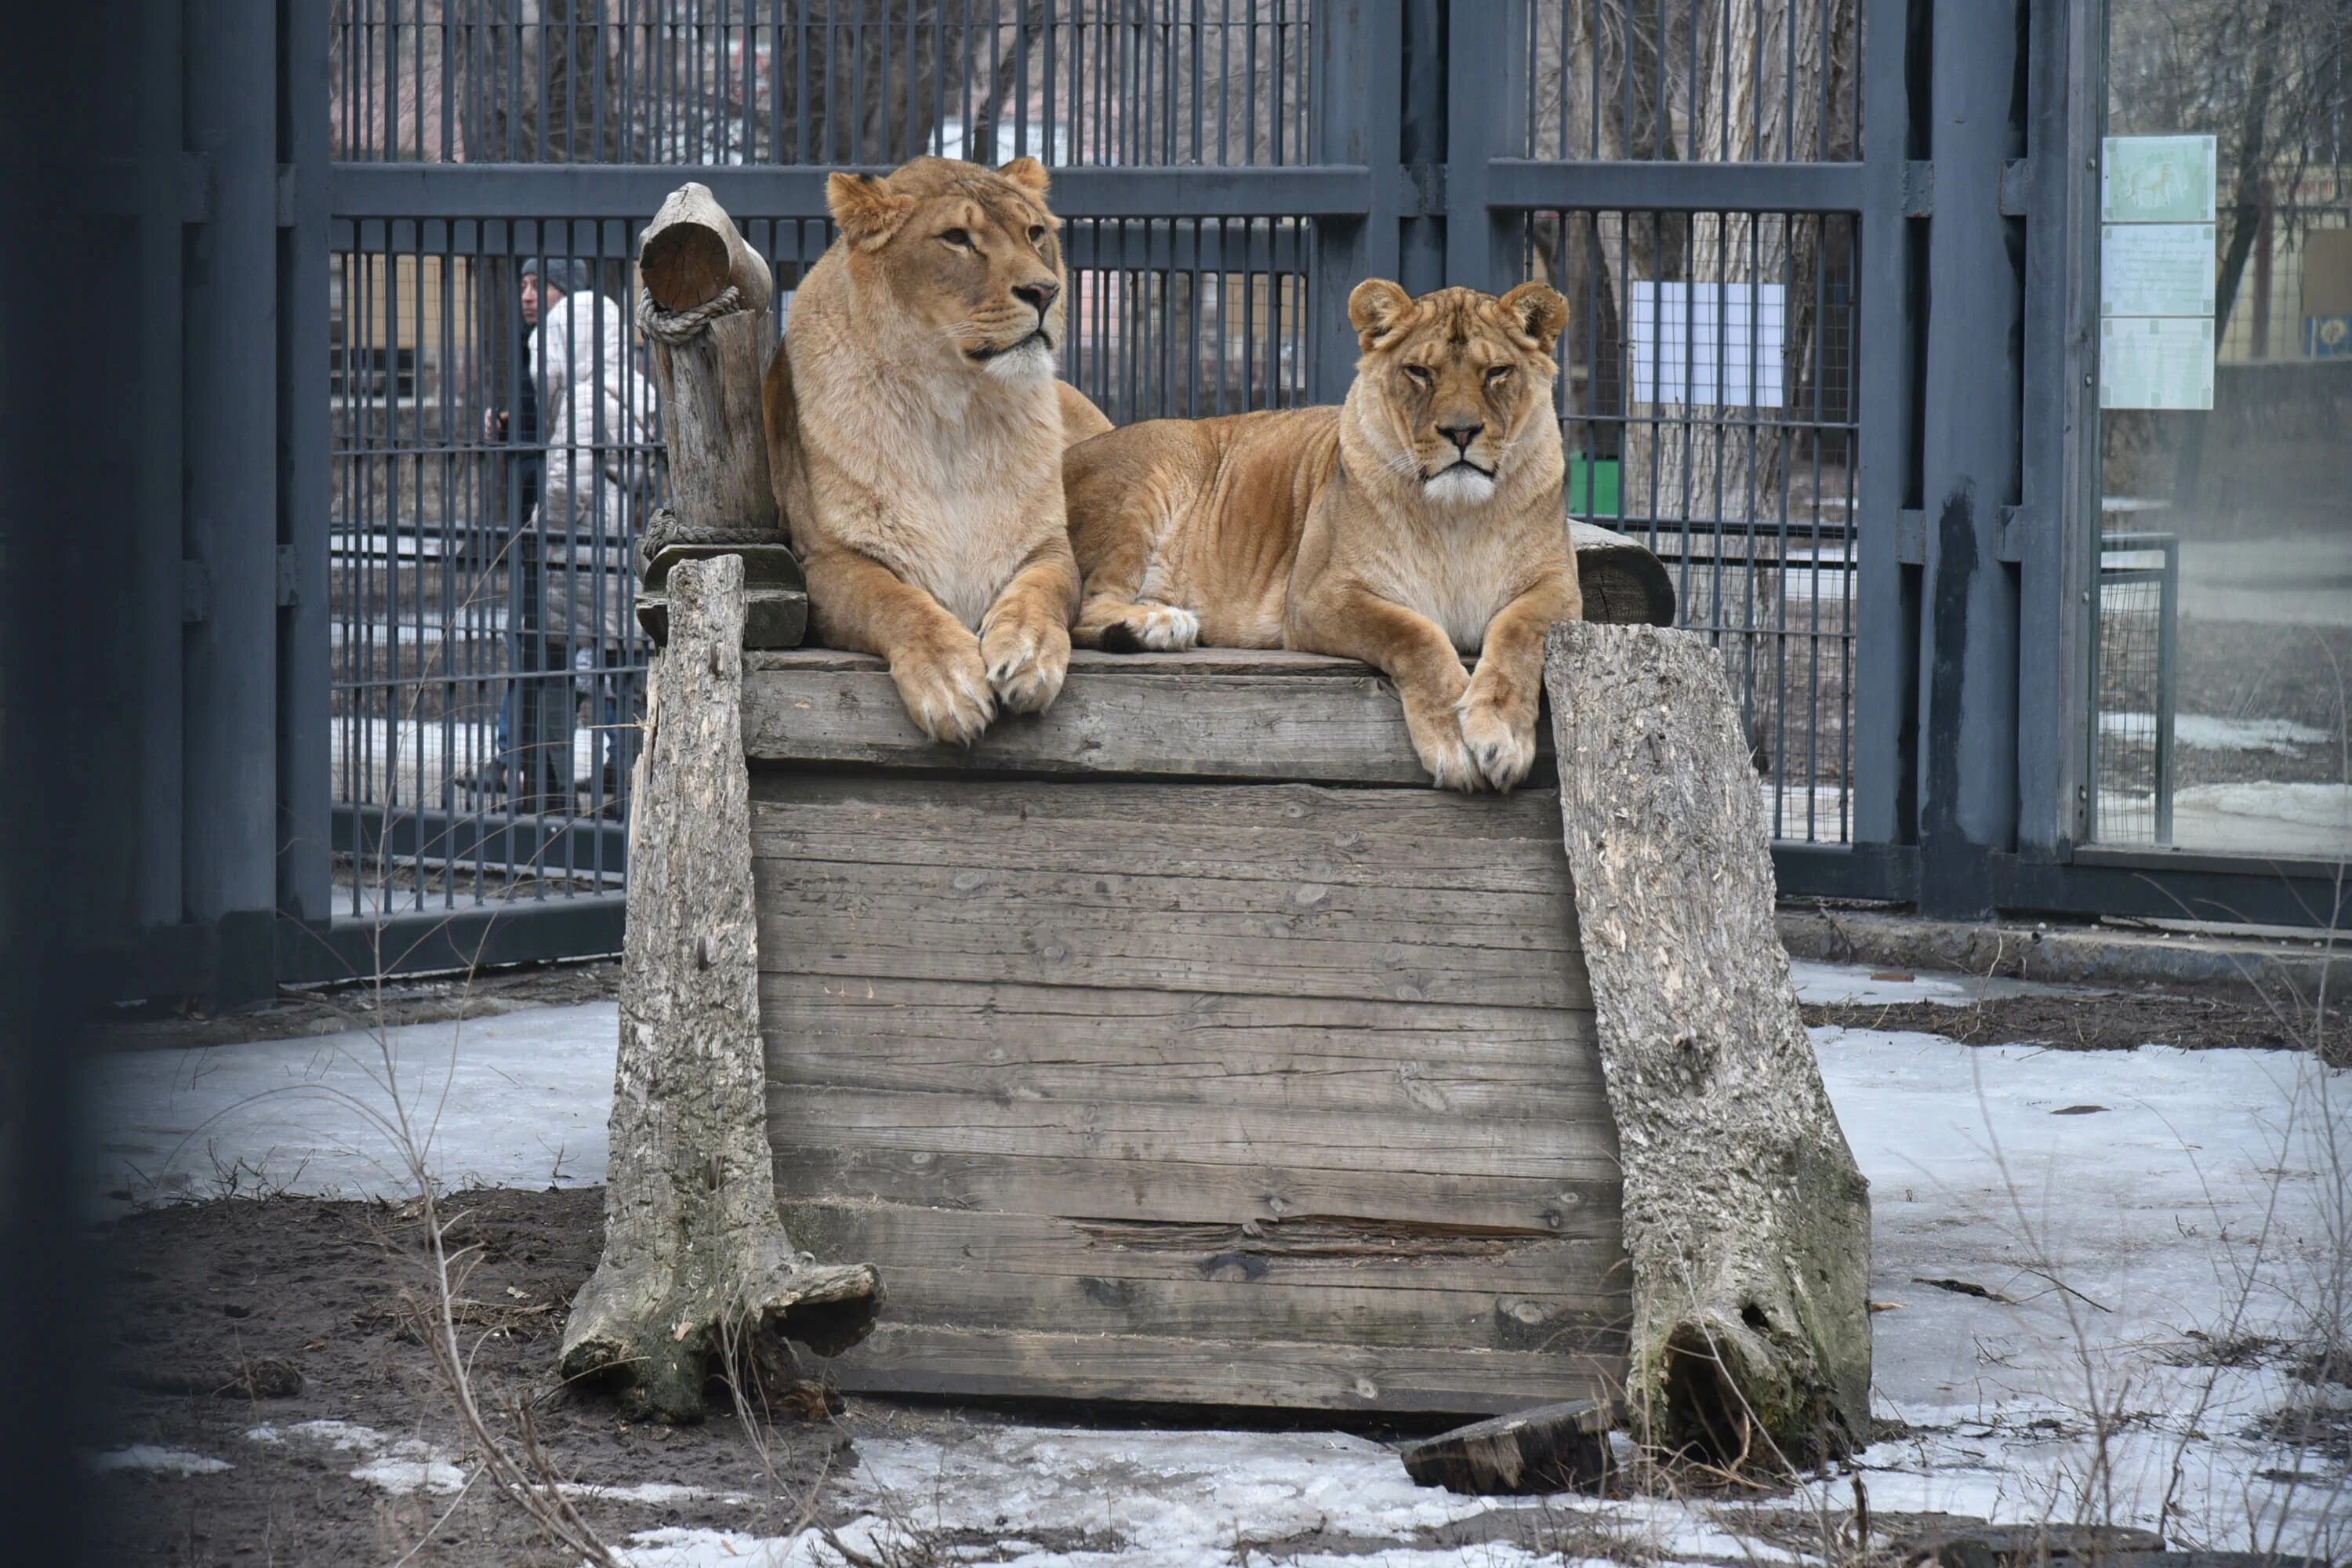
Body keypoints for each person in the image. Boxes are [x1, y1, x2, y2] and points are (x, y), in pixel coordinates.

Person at [465, 258, 655, 811]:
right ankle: (625, 785)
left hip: (574, 558)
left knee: (551, 669)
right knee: (624, 672)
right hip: (621, 554)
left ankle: (545, 792)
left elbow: (564, 484)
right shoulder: (638, 389)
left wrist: (533, 532)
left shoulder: (585, 398)